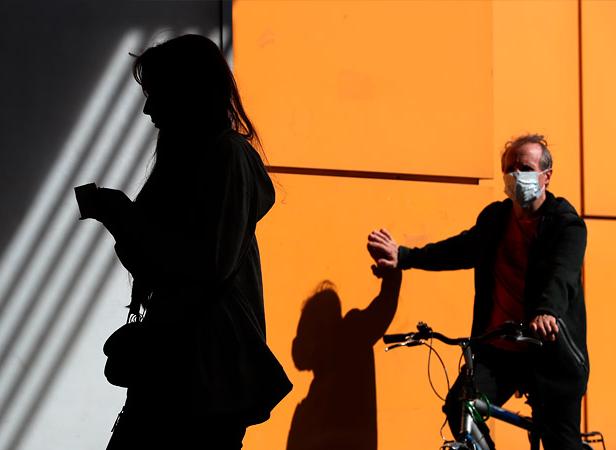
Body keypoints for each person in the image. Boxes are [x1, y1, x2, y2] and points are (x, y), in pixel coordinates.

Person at [78, 34, 292, 449]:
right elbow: (173, 262)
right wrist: (121, 220)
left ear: (190, 93)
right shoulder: (203, 158)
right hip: (190, 372)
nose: (148, 109)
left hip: (203, 374)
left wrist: (125, 218)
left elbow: (206, 264)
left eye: (156, 93)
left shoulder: (225, 156)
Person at [366, 134, 588, 450]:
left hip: (549, 351)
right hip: (499, 351)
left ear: (546, 176)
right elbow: (459, 250)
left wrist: (546, 311)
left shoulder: (566, 225)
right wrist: (404, 256)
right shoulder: (496, 219)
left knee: (561, 443)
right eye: (509, 169)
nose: (516, 175)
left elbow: (561, 272)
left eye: (525, 168)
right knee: (460, 407)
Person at [287, 269, 401, 450]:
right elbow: (384, 307)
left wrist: (392, 271)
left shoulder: (350, 336)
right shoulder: (349, 339)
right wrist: (392, 271)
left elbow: (384, 307)